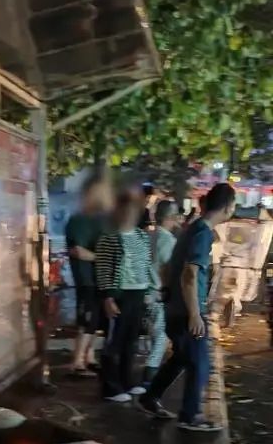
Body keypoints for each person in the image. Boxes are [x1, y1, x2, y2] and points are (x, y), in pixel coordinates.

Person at [140, 183, 237, 431]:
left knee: (182, 358)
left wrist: (167, 293)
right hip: (186, 311)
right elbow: (190, 274)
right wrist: (195, 314)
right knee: (201, 363)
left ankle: (150, 397)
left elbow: (167, 268)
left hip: (175, 307)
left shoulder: (190, 229)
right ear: (227, 207)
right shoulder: (202, 233)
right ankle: (190, 415)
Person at [96, 190, 156, 402]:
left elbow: (145, 265)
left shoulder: (141, 236)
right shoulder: (109, 237)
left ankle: (127, 381)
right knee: (114, 341)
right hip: (119, 294)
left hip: (137, 294)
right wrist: (108, 297)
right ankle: (110, 387)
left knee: (131, 341)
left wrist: (148, 291)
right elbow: (103, 269)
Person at [65, 173, 113, 377]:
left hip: (99, 278)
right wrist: (101, 257)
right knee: (87, 320)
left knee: (96, 321)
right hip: (87, 279)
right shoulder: (79, 220)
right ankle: (77, 362)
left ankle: (89, 357)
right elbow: (77, 251)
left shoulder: (101, 219)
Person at [144, 199, 179, 384]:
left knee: (152, 335)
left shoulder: (146, 236)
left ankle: (147, 376)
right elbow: (168, 270)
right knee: (160, 338)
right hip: (158, 294)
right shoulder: (169, 241)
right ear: (170, 218)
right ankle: (148, 377)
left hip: (140, 293)